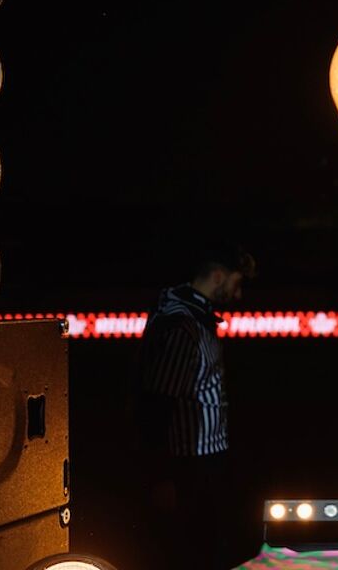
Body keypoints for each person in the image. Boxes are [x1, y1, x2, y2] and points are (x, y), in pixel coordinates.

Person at [133, 240, 256, 570]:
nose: (238, 294)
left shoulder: (189, 315)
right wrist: (162, 476)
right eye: (236, 283)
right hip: (191, 468)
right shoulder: (182, 324)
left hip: (201, 464)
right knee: (198, 553)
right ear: (218, 276)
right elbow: (158, 400)